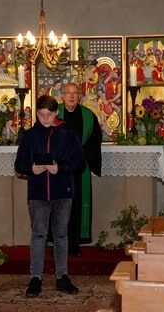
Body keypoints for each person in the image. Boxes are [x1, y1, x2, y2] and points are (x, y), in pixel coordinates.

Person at [15, 95, 86, 297]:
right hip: (38, 193)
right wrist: (30, 169)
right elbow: (18, 164)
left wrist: (60, 168)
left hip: (62, 192)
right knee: (38, 235)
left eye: (49, 115)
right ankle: (35, 278)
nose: (45, 119)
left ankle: (62, 277)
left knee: (61, 235)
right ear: (36, 113)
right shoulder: (29, 136)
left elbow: (79, 163)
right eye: (41, 115)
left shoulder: (68, 134)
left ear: (56, 113)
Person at [59, 82, 102, 256]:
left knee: (77, 205)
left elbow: (94, 141)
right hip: (58, 168)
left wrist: (83, 155)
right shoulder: (54, 114)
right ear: (61, 96)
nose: (71, 96)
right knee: (60, 205)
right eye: (67, 93)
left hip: (79, 168)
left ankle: (75, 243)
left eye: (75, 93)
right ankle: (59, 243)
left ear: (80, 96)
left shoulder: (88, 116)